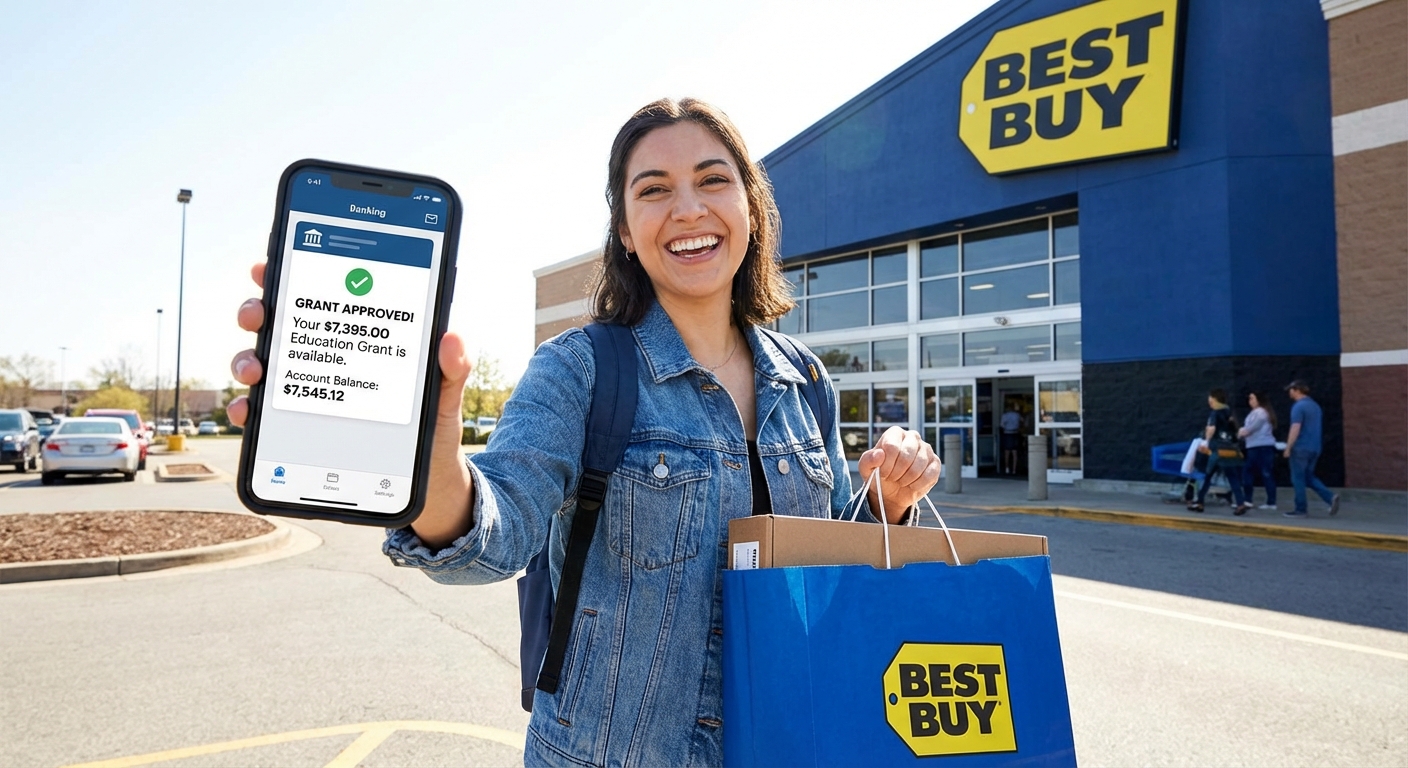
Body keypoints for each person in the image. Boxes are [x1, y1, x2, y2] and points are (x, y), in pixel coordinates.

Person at [227, 98, 942, 767]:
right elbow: (494, 534)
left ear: (751, 207)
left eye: (712, 180)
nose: (687, 208)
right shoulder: (580, 370)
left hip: (792, 741)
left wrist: (888, 503)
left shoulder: (805, 378)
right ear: (626, 233)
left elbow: (836, 558)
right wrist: (429, 450)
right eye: (653, 189)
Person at [1188, 388, 1251, 515]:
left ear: (1214, 398)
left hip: (1216, 448)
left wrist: (1206, 441)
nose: (1209, 400)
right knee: (1232, 476)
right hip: (1230, 448)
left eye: (1210, 398)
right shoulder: (1229, 413)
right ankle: (1240, 503)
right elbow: (1236, 431)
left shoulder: (1215, 413)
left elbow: (1211, 429)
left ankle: (1199, 502)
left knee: (1207, 474)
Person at [1283, 380, 1340, 517]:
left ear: (1297, 390)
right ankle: (1330, 497)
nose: (1289, 392)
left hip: (1300, 448)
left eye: (1290, 390)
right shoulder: (1315, 406)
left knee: (1298, 479)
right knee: (1308, 476)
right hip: (1315, 447)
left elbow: (1295, 428)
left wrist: (1288, 447)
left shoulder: (1298, 407)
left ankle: (1301, 509)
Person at [1238, 391, 1278, 509]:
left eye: (1252, 398)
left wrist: (1242, 431)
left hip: (1259, 446)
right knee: (1266, 473)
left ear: (1259, 399)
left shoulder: (1260, 413)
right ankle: (1270, 501)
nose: (1250, 401)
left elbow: (1251, 428)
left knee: (1250, 472)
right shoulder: (1259, 413)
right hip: (1259, 446)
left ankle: (1249, 499)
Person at [999, 403, 1024, 475]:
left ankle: (1007, 468)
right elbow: (1023, 421)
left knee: (1007, 452)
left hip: (1007, 433)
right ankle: (1014, 470)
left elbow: (1002, 425)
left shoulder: (1005, 415)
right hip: (1015, 433)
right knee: (1015, 453)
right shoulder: (1017, 415)